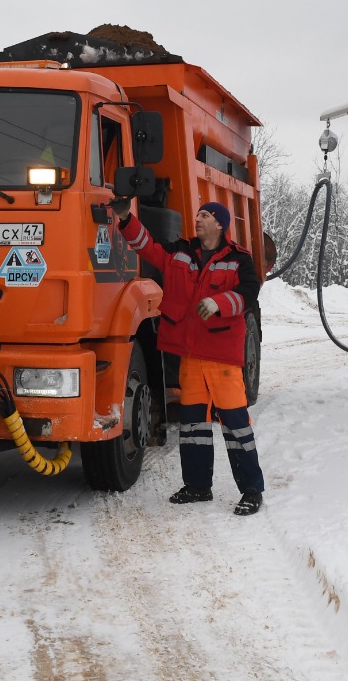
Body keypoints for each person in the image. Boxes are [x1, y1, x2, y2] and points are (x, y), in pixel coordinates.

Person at [111, 197, 265, 515]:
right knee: (192, 425)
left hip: (222, 359)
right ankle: (197, 485)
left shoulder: (239, 260)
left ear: (220, 224)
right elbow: (147, 246)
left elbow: (249, 292)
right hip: (190, 356)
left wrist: (220, 303)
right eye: (197, 214)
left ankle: (251, 489)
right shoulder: (181, 252)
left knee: (236, 426)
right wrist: (126, 219)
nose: (198, 219)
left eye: (205, 215)